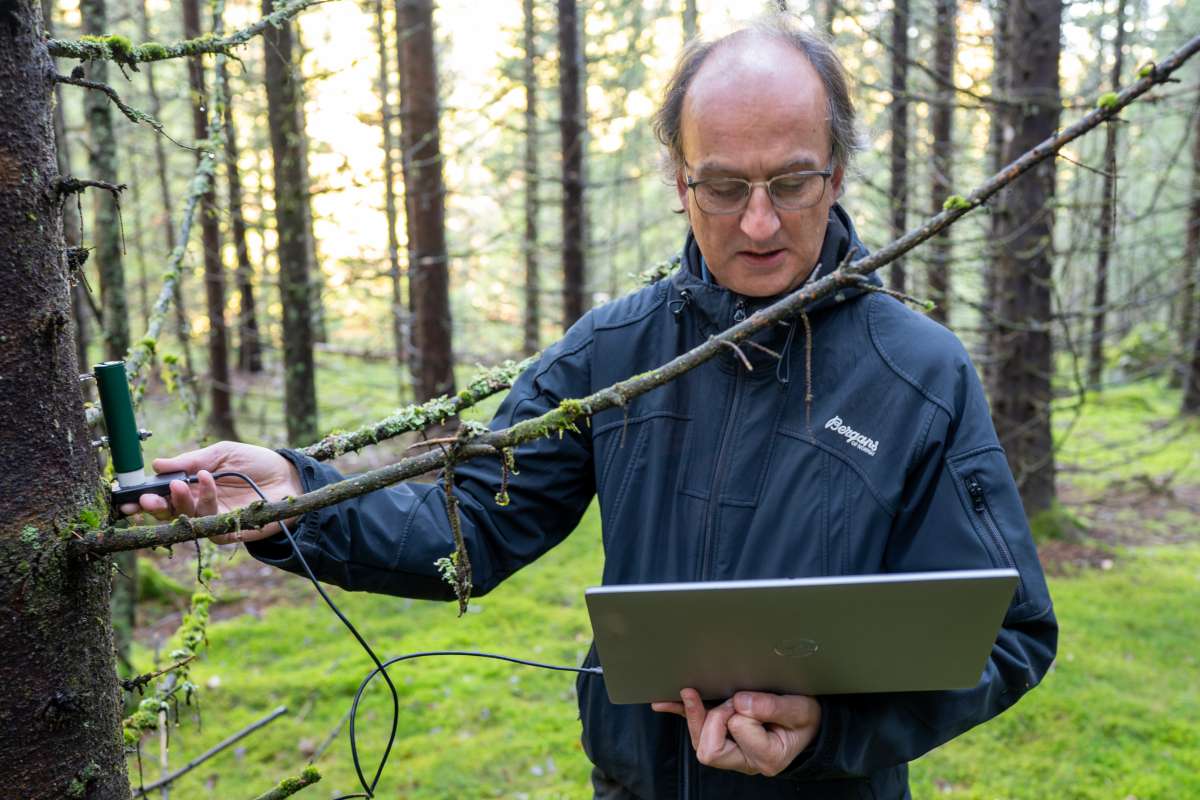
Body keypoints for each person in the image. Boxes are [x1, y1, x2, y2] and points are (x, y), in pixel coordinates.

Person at [126, 17, 1057, 799]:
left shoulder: (917, 373)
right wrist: (294, 494)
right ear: (679, 179)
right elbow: (470, 524)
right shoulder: (614, 353)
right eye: (724, 188)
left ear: (839, 173)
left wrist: (829, 729)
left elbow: (1010, 631)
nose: (760, 222)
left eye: (793, 182)